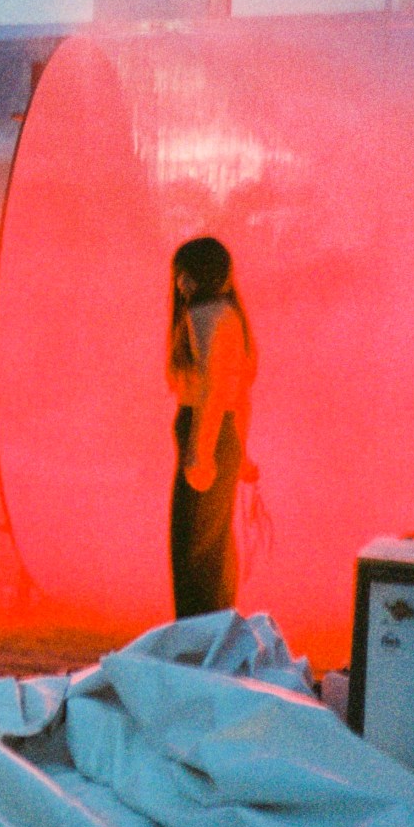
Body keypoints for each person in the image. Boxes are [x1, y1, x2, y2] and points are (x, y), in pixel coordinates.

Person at [166, 235, 259, 618]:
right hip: (224, 435)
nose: (180, 281)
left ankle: (198, 641)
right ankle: (213, 634)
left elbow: (215, 389)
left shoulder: (202, 314)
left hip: (206, 434)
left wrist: (198, 453)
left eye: (185, 273)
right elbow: (237, 394)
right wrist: (241, 452)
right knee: (213, 549)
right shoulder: (228, 312)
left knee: (193, 553)